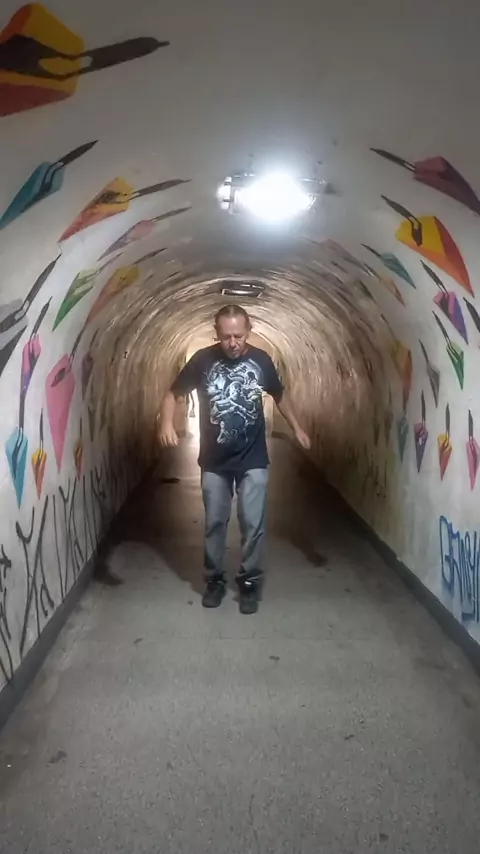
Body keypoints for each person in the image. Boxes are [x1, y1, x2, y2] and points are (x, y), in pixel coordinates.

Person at [157, 304, 311, 615]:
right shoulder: (203, 360)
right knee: (215, 523)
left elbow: (279, 395)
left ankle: (250, 581)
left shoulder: (261, 360)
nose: (232, 343)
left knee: (253, 523)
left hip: (253, 457)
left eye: (238, 336)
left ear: (248, 331)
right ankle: (214, 580)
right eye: (226, 336)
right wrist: (165, 424)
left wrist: (297, 428)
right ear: (217, 333)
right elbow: (173, 393)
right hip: (214, 460)